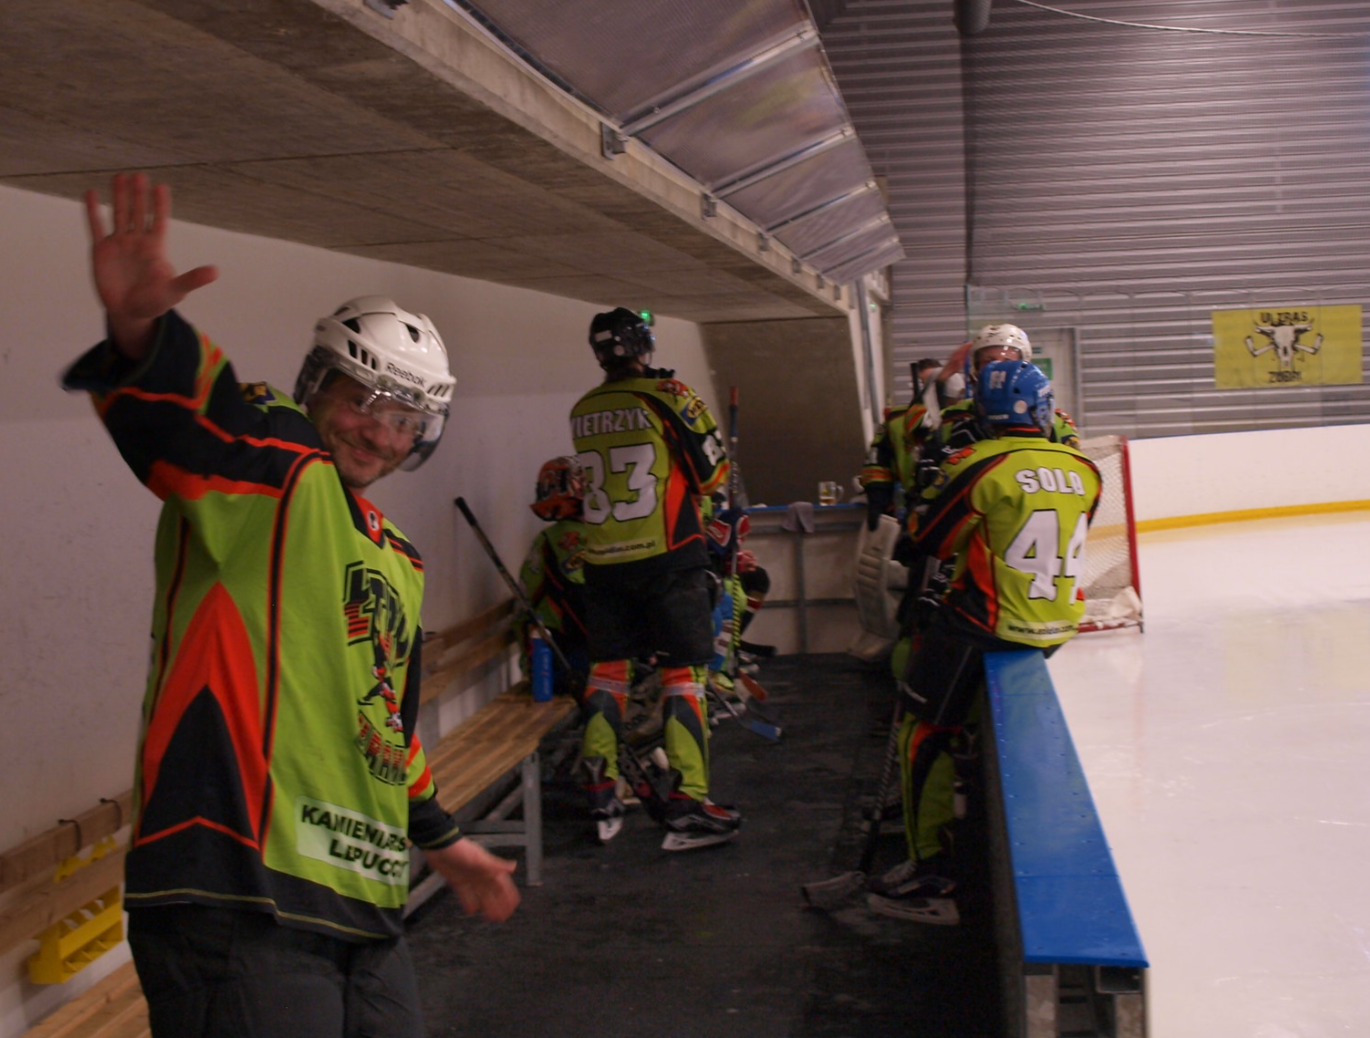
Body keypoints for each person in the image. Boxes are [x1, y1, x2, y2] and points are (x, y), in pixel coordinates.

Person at [62, 172, 519, 1038]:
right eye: (363, 403)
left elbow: (386, 723)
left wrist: (443, 838)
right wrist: (142, 335)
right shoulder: (276, 464)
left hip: (362, 902)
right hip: (234, 890)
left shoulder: (397, 556)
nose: (380, 435)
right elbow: (193, 425)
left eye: (406, 421)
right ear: (318, 387)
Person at [867, 360, 1102, 925]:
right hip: (1057, 624)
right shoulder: (1086, 469)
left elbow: (929, 538)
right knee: (971, 720)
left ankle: (931, 870)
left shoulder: (979, 464)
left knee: (922, 728)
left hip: (987, 624)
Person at [569, 307, 740, 850]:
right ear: (644, 347)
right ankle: (689, 800)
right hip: (668, 557)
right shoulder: (669, 395)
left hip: (603, 561)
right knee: (683, 676)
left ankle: (600, 785)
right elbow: (713, 473)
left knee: (607, 673)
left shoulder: (582, 409)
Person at [517, 456, 591, 697]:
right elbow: (585, 601)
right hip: (560, 661)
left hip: (557, 654)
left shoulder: (556, 536)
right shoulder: (567, 540)